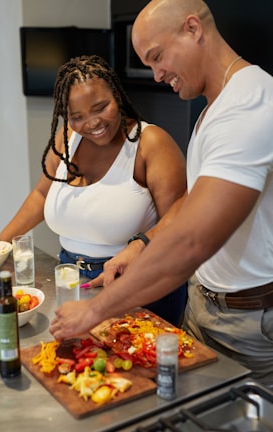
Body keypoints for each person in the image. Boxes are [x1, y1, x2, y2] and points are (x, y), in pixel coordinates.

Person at [49, 0, 273, 389]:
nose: (156, 75)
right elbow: (192, 207)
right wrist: (141, 246)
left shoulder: (249, 104)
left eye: (157, 57)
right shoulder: (214, 109)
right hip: (204, 307)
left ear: (192, 28)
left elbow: (192, 241)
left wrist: (93, 312)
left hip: (250, 323)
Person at [0, 54, 187, 326]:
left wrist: (141, 244)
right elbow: (41, 195)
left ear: (117, 96)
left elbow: (181, 216)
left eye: (100, 107)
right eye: (77, 116)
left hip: (137, 281)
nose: (92, 123)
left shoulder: (150, 143)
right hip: (71, 279)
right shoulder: (66, 141)